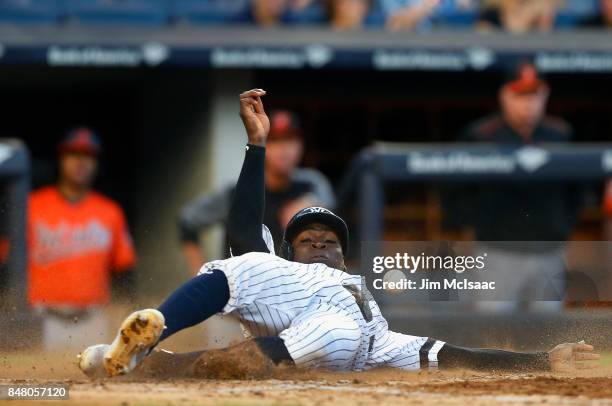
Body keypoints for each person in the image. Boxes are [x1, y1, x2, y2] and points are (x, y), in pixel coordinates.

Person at [77, 90, 598, 378]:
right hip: (290, 301)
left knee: (340, 334)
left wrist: (538, 359)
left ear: (347, 256)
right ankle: (155, 332)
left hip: (354, 336)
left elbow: (443, 352)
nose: (322, 242)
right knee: (244, 262)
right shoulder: (278, 268)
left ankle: (147, 362)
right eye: (308, 238)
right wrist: (255, 146)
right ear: (291, 250)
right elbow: (241, 232)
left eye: (331, 239)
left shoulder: (369, 308)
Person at [444, 62, 583, 312]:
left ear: (545, 95)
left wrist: (562, 227)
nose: (528, 103)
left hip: (548, 252)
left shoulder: (560, 134)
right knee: (493, 338)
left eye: (534, 94)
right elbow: (454, 188)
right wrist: (471, 225)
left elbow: (577, 191)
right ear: (504, 96)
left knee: (547, 339)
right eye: (520, 95)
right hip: (497, 253)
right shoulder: (481, 135)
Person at [178, 109, 335, 275]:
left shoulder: (310, 183)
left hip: (294, 292)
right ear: (264, 146)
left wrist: (311, 204)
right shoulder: (239, 192)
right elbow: (187, 220)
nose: (284, 149)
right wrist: (200, 274)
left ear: (301, 145)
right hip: (241, 290)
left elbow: (332, 203)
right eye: (275, 141)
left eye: (290, 140)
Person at [28, 128, 137, 350]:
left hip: (93, 319)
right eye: (73, 154)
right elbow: (8, 264)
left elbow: (125, 271)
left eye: (88, 156)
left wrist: (122, 310)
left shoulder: (110, 211)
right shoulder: (31, 205)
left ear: (97, 163)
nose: (81, 162)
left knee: (99, 380)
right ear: (61, 159)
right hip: (42, 319)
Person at [477, 0, 559, 33]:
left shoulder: (538, 10)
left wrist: (544, 18)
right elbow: (481, 37)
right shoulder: (491, 12)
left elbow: (546, 39)